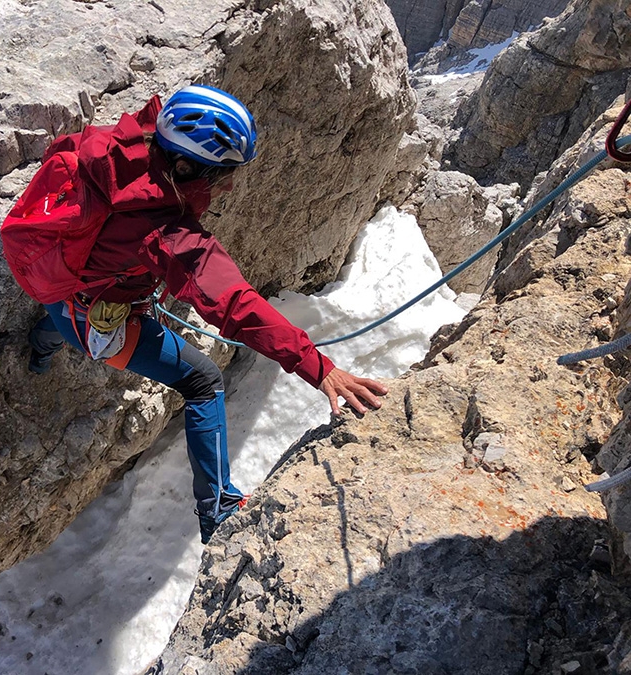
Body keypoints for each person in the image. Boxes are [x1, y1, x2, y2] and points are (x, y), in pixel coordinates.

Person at [21, 85, 388, 544]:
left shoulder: (123, 151)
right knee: (202, 381)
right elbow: (235, 303)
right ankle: (218, 508)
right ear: (183, 165)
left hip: (56, 278)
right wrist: (319, 368)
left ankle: (39, 347)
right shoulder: (165, 233)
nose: (228, 185)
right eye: (221, 174)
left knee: (57, 316)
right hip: (92, 314)